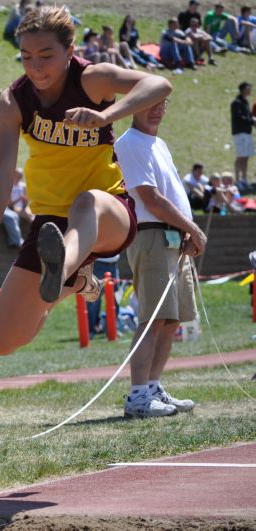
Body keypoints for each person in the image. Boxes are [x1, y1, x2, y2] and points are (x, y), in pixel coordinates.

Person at [0, 6, 171, 356]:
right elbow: (2, 177)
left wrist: (106, 115)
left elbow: (160, 83)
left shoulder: (91, 79)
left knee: (87, 201)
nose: (36, 66)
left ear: (70, 51)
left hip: (108, 213)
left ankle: (62, 270)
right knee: (2, 341)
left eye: (46, 55)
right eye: (25, 57)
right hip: (51, 224)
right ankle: (71, 283)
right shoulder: (12, 101)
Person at [115, 98, 206, 418]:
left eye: (162, 103)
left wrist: (185, 231)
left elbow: (166, 193)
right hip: (151, 234)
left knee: (171, 319)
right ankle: (138, 394)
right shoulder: (129, 143)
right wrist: (192, 228)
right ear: (133, 106)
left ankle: (152, 386)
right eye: (149, 103)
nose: (157, 109)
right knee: (152, 318)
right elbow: (150, 198)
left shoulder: (158, 143)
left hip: (171, 236)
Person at [231, 82, 254, 186]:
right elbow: (240, 118)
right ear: (243, 89)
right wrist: (252, 121)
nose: (250, 90)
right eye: (248, 88)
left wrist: (252, 121)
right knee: (241, 156)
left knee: (246, 156)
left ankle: (244, 179)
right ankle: (237, 179)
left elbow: (248, 116)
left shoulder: (245, 102)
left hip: (247, 132)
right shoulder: (237, 103)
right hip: (240, 132)